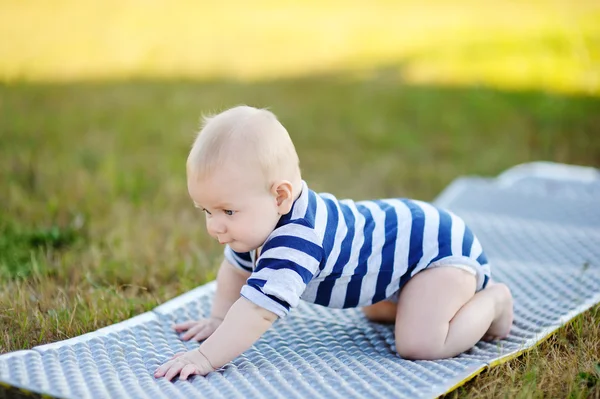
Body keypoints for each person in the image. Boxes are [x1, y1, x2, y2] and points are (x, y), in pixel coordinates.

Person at [154, 105, 514, 381]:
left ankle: (495, 301)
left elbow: (257, 311)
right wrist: (219, 318)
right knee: (375, 311)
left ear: (280, 196)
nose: (215, 226)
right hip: (400, 260)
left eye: (227, 211)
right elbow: (236, 269)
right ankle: (410, 298)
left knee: (419, 344)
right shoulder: (255, 222)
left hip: (436, 250)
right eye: (206, 210)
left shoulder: (299, 238)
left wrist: (205, 357)